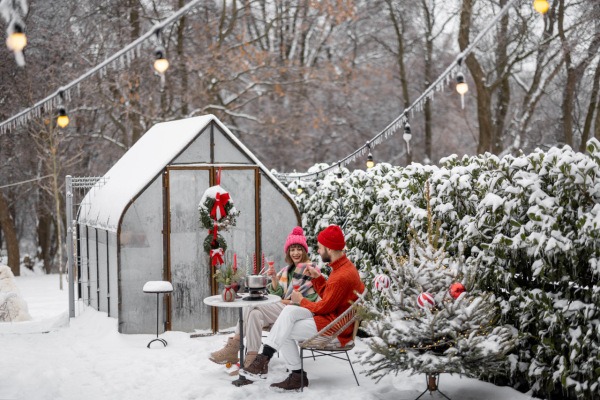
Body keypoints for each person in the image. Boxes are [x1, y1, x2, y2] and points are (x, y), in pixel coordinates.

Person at [240, 224, 365, 391]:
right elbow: (330, 296)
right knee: (288, 313)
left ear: (329, 248)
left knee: (283, 327)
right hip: (333, 319)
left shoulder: (342, 275)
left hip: (336, 328)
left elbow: (323, 307)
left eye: (320, 248)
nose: (319, 251)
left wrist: (301, 300)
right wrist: (318, 278)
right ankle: (268, 361)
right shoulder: (342, 268)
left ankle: (287, 370)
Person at [209, 226, 319, 374]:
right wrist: (274, 279)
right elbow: (279, 292)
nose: (295, 253)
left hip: (297, 313)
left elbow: (308, 300)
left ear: (304, 251)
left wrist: (283, 301)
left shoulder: (310, 269)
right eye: (292, 249)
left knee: (251, 304)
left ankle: (234, 346)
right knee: (254, 313)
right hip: (283, 309)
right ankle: (252, 361)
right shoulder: (288, 270)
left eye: (299, 249)